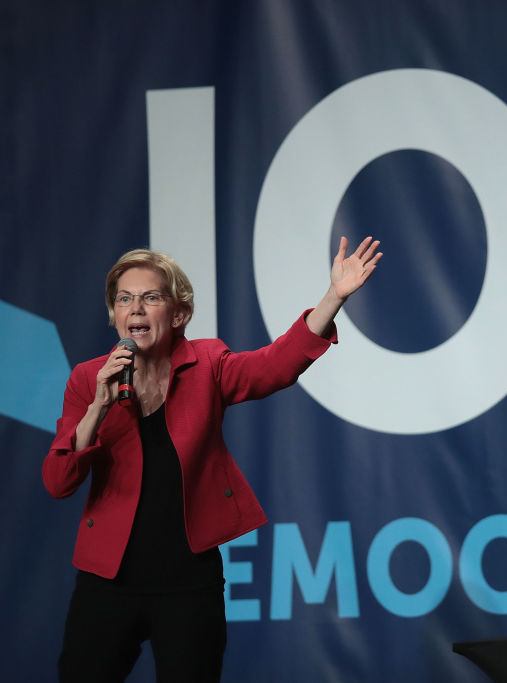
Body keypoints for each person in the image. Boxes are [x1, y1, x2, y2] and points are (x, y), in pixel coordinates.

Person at [43, 236, 382, 682]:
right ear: (114, 315)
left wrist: (332, 298)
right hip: (107, 581)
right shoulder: (89, 379)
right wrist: (97, 408)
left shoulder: (208, 364)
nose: (136, 309)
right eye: (124, 299)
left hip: (188, 582)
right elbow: (59, 481)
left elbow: (274, 366)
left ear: (179, 313)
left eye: (150, 298)